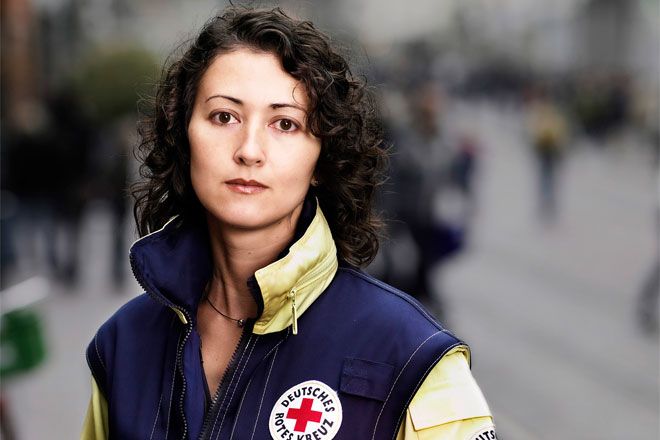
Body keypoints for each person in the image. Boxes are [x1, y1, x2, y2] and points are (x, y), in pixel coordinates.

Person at [81, 7, 495, 439]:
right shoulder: (122, 345)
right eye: (224, 116)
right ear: (184, 134)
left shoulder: (410, 354)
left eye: (285, 123)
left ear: (322, 158)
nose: (249, 150)